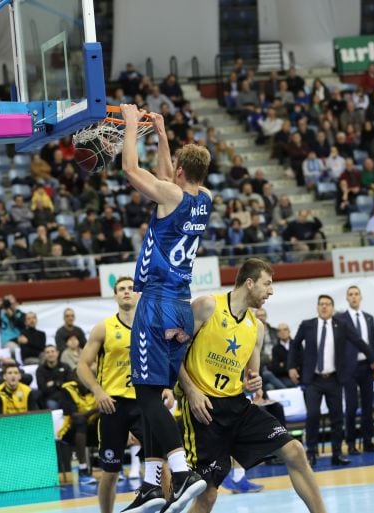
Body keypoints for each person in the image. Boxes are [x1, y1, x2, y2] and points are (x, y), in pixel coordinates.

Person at [121, 103, 213, 512]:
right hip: (180, 306)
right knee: (155, 395)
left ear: (179, 171)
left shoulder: (170, 195)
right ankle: (150, 485)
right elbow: (166, 177)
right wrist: (160, 132)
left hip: (156, 304)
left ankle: (181, 468)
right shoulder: (205, 198)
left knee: (144, 394)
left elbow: (131, 170)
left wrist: (128, 126)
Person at [180, 259, 326, 513]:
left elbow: (252, 377)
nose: (271, 291)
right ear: (249, 283)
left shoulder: (256, 328)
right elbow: (173, 356)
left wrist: (254, 382)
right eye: (267, 284)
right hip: (203, 410)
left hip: (237, 405)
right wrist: (191, 391)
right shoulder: (207, 306)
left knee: (294, 451)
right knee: (208, 495)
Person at [77, 277, 154, 512]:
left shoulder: (151, 327)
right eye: (121, 289)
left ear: (138, 294)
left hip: (145, 402)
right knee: (110, 472)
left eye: (131, 288)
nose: (127, 292)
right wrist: (98, 391)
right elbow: (82, 365)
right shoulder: (104, 327)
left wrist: (167, 389)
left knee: (160, 463)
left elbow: (163, 362)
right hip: (114, 406)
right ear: (115, 296)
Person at [288, 295, 374, 466]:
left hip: (334, 379)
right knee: (313, 415)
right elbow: (294, 345)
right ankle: (311, 452)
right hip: (313, 380)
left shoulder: (341, 325)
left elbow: (359, 342)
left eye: (327, 304)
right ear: (317, 307)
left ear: (332, 307)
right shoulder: (307, 325)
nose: (324, 307)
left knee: (337, 418)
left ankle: (336, 453)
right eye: (321, 304)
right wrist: (292, 366)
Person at [339, 286, 374, 454]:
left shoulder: (368, 318)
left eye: (356, 294)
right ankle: (350, 443)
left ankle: (368, 441)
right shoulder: (340, 319)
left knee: (367, 407)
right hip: (349, 368)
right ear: (347, 298)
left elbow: (372, 343)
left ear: (361, 297)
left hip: (366, 367)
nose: (354, 297)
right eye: (350, 294)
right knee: (350, 406)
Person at [36, 345, 71, 410]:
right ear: (44, 355)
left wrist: (54, 383)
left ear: (57, 353)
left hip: (66, 396)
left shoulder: (66, 367)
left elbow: (70, 383)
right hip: (50, 398)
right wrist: (60, 384)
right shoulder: (40, 370)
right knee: (52, 405)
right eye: (48, 352)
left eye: (52, 351)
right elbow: (42, 388)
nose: (50, 354)